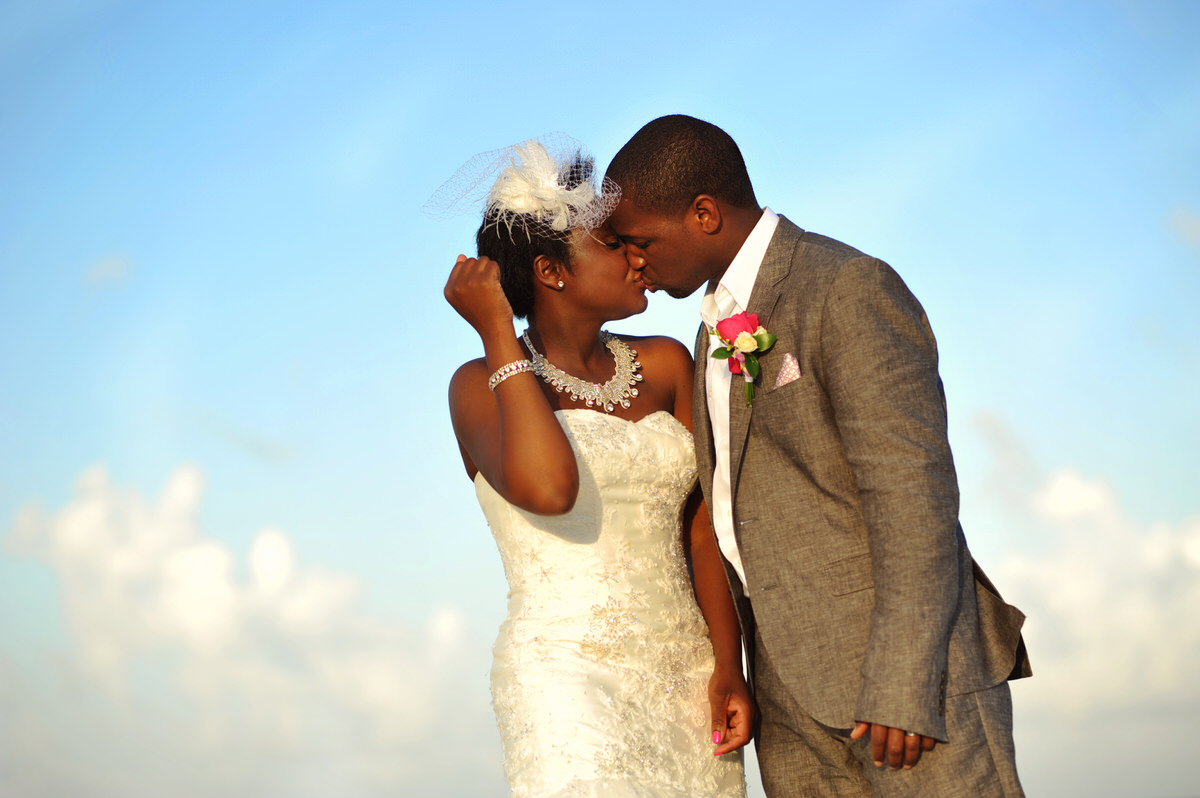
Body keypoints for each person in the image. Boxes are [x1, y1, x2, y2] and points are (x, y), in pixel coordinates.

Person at [605, 115, 1032, 798]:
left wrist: (903, 680)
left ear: (704, 214)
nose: (633, 261)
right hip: (790, 705)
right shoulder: (707, 329)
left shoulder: (846, 287)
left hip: (906, 694)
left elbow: (911, 494)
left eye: (640, 241)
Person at [439, 137, 751, 796]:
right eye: (612, 244)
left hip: (687, 676)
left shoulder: (667, 364)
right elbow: (551, 489)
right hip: (563, 681)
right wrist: (499, 332)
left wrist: (729, 662)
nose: (638, 255)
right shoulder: (477, 385)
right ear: (551, 272)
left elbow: (701, 530)